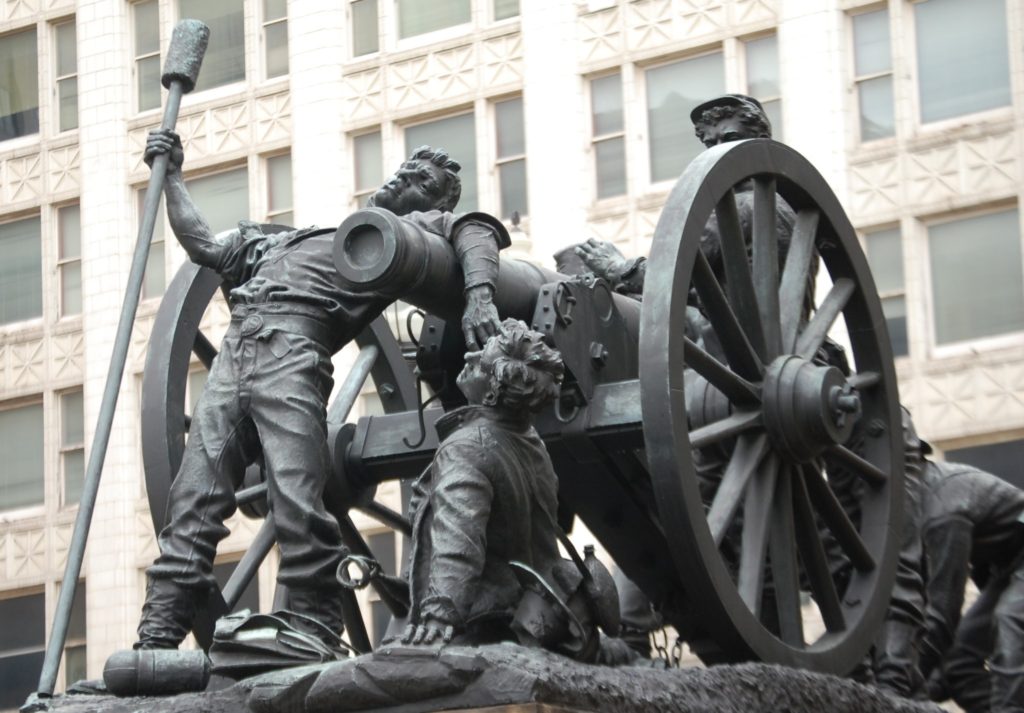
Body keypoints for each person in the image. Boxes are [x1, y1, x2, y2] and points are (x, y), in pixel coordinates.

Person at [132, 129, 509, 650]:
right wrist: (171, 175)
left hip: (294, 351)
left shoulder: (414, 231)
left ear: (436, 201)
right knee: (192, 499)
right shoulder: (295, 237)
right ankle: (156, 637)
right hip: (236, 349)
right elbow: (202, 244)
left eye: (423, 181)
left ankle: (313, 625)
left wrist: (481, 297)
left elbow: (475, 230)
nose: (403, 178)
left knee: (296, 497)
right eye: (405, 169)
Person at [401, 319, 564, 646]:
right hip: (530, 620)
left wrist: (439, 614)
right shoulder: (531, 442)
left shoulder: (465, 448)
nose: (468, 359)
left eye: (480, 361)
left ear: (492, 391)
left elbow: (460, 536)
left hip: (478, 627)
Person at [573, 94, 790, 297]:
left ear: (760, 142)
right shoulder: (788, 207)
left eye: (730, 139)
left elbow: (667, 277)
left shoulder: (735, 209)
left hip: (726, 336)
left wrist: (615, 266)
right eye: (710, 144)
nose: (718, 152)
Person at [916, 437, 1024, 713]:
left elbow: (943, 611)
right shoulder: (918, 508)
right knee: (959, 665)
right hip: (1009, 569)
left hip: (1015, 564)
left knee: (1009, 617)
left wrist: (905, 681)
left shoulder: (942, 508)